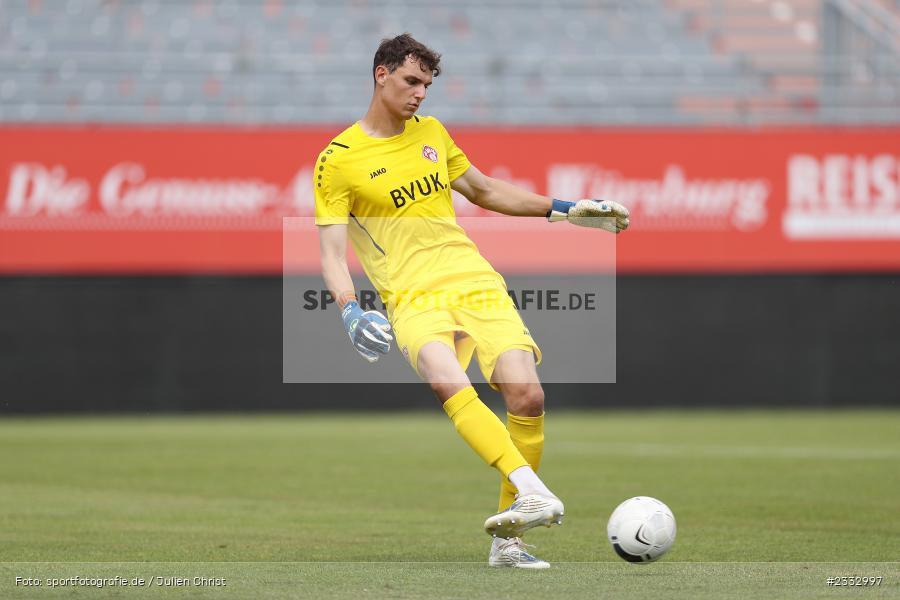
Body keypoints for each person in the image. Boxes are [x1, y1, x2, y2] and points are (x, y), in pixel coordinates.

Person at [314, 33, 629, 569]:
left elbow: (484, 192)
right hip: (411, 296)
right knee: (447, 381)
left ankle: (509, 544)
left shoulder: (433, 134)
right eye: (412, 81)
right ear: (381, 74)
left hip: (474, 280)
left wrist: (564, 209)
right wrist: (349, 308)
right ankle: (531, 491)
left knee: (526, 395)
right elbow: (329, 252)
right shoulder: (338, 160)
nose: (420, 94)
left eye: (427, 86)